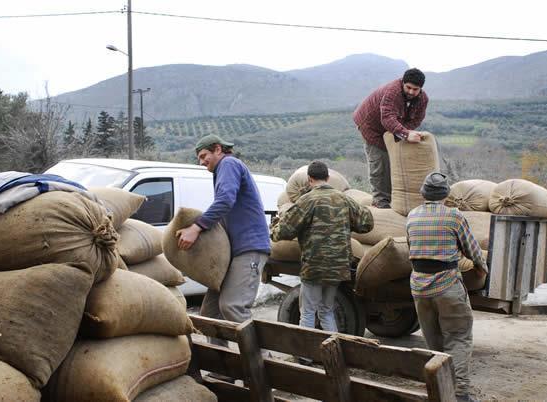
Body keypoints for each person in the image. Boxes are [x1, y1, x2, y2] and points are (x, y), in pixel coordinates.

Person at [270, 161, 373, 364]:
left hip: (314, 267)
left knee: (308, 312)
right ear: (327, 178)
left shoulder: (307, 200)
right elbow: (366, 223)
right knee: (327, 310)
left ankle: (306, 357)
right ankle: (335, 354)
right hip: (339, 266)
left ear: (309, 179)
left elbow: (284, 231)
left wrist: (273, 230)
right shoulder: (344, 199)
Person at [176, 134, 270, 348]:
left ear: (218, 149)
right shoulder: (222, 170)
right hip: (233, 253)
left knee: (233, 306)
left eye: (203, 155)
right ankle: (223, 369)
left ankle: (265, 365)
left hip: (249, 248)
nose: (201, 162)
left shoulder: (229, 163)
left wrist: (196, 227)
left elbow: (225, 200)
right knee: (210, 312)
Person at [406, 172, 488, 402]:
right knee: (459, 337)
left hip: (419, 287)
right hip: (447, 285)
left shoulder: (412, 216)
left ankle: (439, 389)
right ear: (446, 195)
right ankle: (459, 394)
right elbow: (472, 250)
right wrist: (482, 268)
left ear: (423, 194)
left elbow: (411, 247)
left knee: (434, 340)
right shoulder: (454, 216)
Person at [353, 68, 429, 208]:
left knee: (395, 160)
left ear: (421, 89)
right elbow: (387, 117)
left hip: (393, 128)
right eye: (408, 87)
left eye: (415, 89)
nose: (411, 92)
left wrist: (403, 130)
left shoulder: (423, 99)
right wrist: (405, 134)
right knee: (380, 161)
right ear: (402, 83)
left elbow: (417, 119)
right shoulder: (393, 92)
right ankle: (381, 201)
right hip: (371, 126)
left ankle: (396, 197)